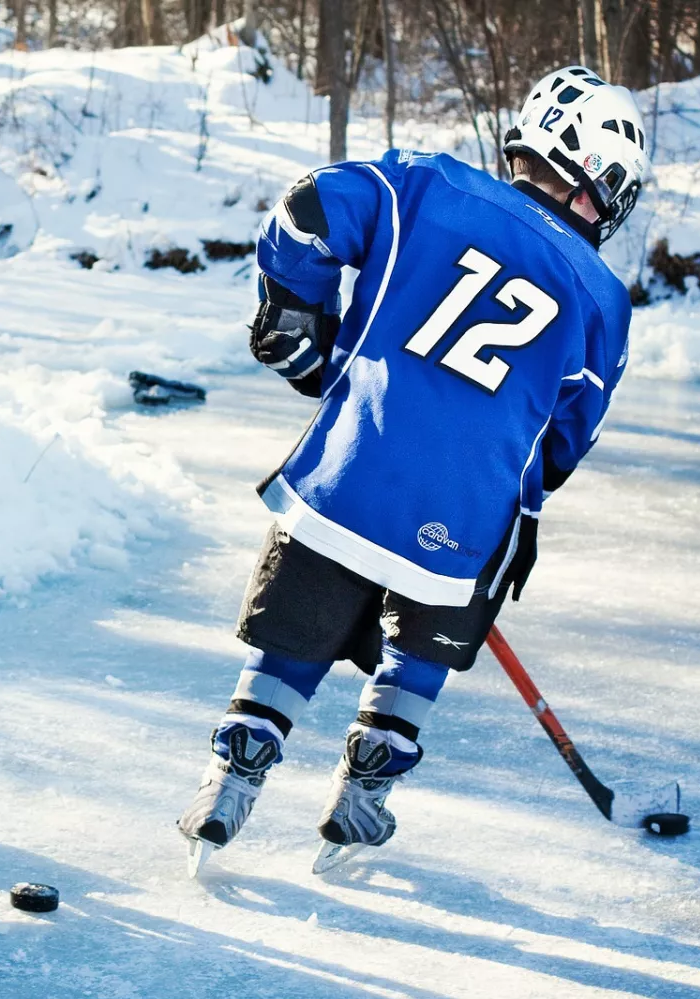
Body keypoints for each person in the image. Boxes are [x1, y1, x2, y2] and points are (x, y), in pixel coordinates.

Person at [178, 66, 651, 875]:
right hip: (459, 521)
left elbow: (308, 209)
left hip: (343, 481)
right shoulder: (601, 298)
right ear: (603, 177)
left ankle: (233, 776)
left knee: (298, 621)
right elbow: (565, 442)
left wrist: (293, 314)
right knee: (440, 612)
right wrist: (515, 503)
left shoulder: (423, 184)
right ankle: (363, 795)